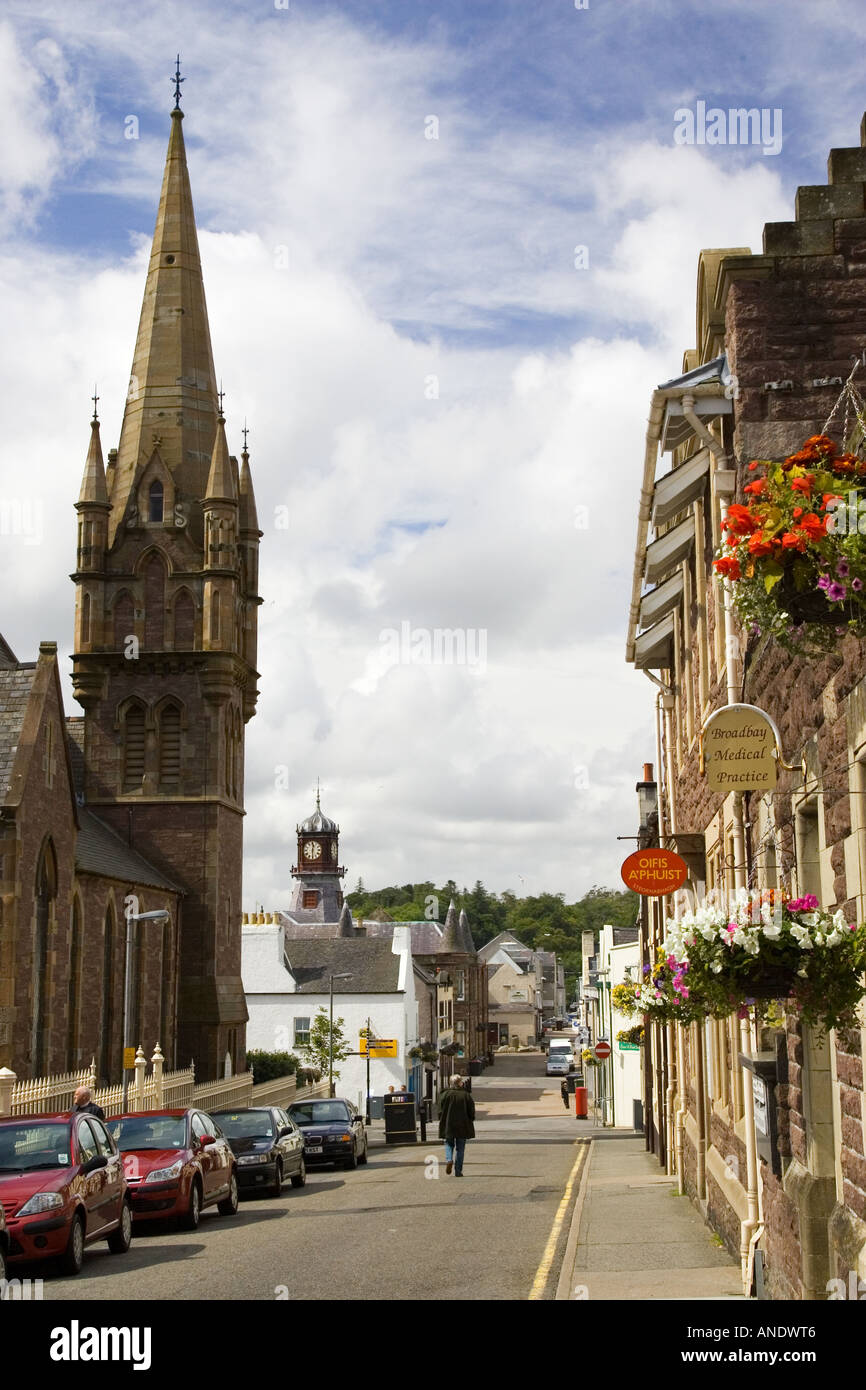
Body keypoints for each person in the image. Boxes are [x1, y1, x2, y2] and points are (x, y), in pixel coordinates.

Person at [437, 1074, 475, 1177]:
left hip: (448, 1124)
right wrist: (471, 1119)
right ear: (460, 1083)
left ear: (451, 1083)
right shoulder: (466, 1095)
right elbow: (471, 1111)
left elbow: (440, 1110)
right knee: (460, 1148)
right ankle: (458, 1171)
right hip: (462, 1125)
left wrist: (441, 1119)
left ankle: (449, 1160)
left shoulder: (445, 1095)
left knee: (449, 1144)